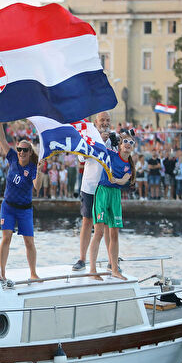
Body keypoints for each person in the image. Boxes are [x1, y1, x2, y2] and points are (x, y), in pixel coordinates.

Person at [0, 123, 41, 285]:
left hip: (24, 209)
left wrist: (40, 171)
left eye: (25, 150)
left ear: (30, 153)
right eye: (19, 149)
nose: (21, 152)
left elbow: (37, 187)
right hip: (7, 207)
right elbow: (1, 140)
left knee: (29, 241)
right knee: (6, 237)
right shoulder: (13, 157)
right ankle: (2, 272)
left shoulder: (33, 167)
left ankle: (33, 273)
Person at [88, 132, 135, 281]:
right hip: (102, 192)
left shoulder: (129, 166)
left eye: (131, 142)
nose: (128, 144)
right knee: (99, 232)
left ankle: (114, 269)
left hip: (115, 194)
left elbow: (124, 181)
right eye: (125, 141)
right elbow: (95, 146)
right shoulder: (111, 154)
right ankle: (93, 269)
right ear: (120, 145)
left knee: (114, 233)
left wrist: (116, 180)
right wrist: (102, 137)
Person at [72, 112, 112, 271]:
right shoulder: (88, 136)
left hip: (107, 186)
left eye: (108, 120)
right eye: (102, 120)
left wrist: (111, 142)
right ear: (96, 121)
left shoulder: (114, 138)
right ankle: (82, 259)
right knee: (87, 221)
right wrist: (98, 142)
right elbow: (81, 158)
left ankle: (112, 260)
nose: (105, 123)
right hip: (89, 186)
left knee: (109, 224)